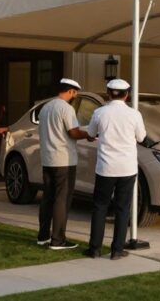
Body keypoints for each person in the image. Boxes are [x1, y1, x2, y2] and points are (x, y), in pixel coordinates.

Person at [84, 78, 146, 260]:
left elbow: (90, 134)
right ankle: (117, 250)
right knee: (122, 208)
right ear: (127, 95)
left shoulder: (99, 112)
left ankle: (94, 248)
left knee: (100, 207)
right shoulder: (135, 115)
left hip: (105, 167)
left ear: (108, 94)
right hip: (127, 168)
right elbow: (141, 138)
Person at [37, 78, 90, 250]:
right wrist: (88, 135)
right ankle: (58, 240)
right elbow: (73, 132)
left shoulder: (46, 107)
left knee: (47, 198)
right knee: (62, 199)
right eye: (75, 93)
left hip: (47, 158)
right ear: (71, 91)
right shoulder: (66, 108)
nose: (75, 96)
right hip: (63, 160)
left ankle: (43, 236)